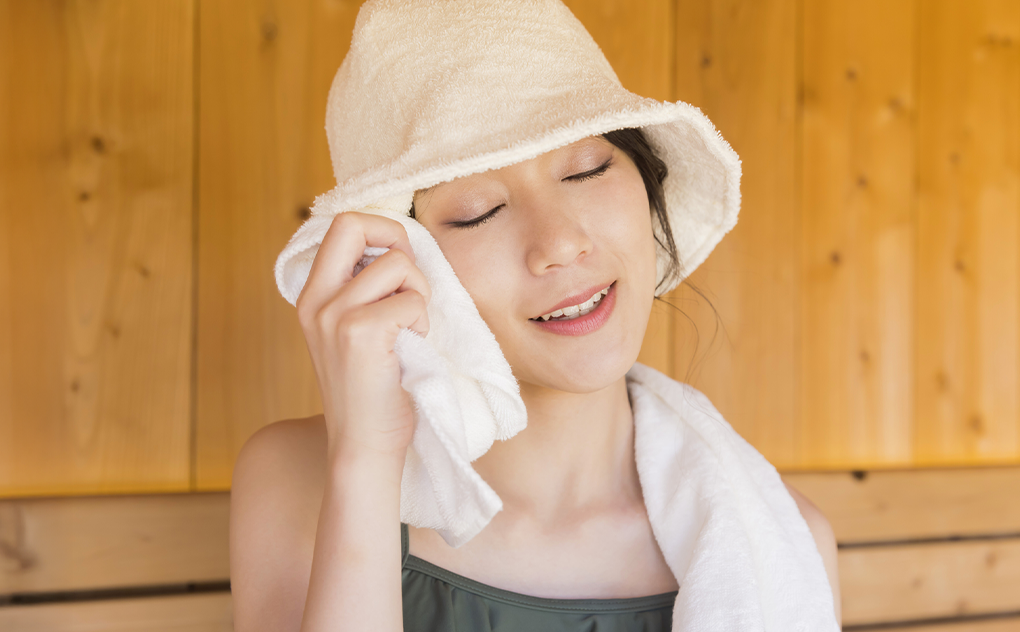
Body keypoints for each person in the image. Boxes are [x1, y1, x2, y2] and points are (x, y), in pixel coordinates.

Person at [229, 1, 841, 630]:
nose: (560, 243)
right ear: (396, 264)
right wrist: (366, 455)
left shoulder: (784, 548)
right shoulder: (299, 482)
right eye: (477, 212)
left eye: (587, 169)